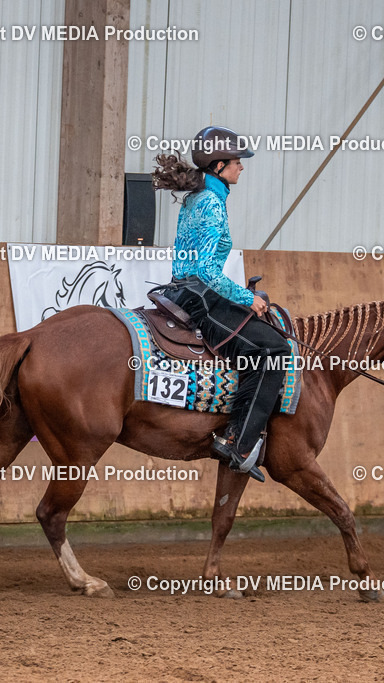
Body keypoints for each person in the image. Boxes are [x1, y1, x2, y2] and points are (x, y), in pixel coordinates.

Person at [152, 126, 291, 483]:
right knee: (274, 350)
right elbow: (207, 270)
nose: (242, 168)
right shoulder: (212, 204)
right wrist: (249, 299)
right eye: (237, 162)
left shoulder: (199, 196)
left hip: (185, 289)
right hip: (200, 296)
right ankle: (238, 442)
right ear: (218, 166)